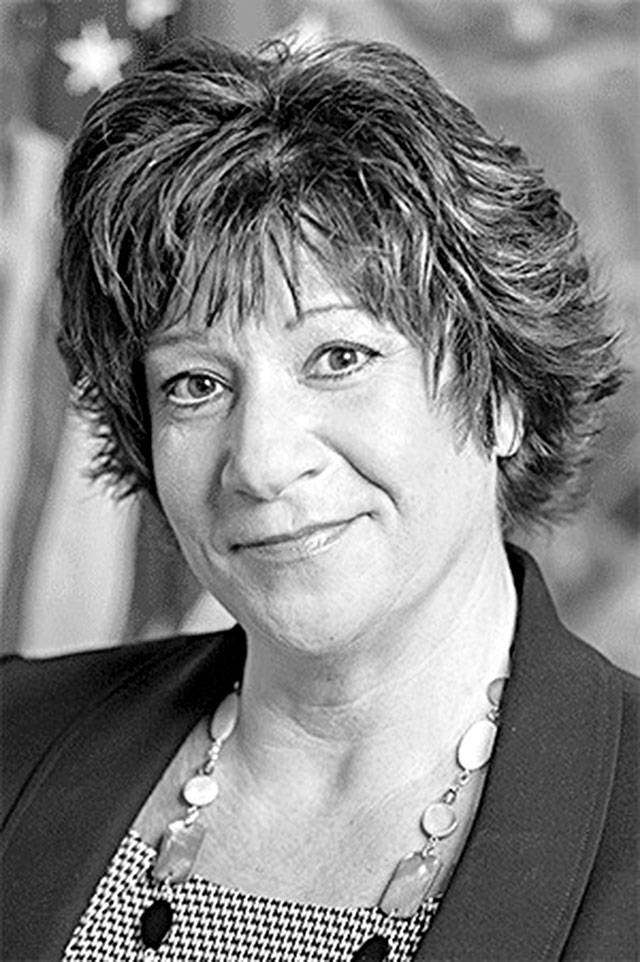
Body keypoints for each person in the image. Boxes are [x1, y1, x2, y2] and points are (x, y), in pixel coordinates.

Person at [1, 35, 637, 962]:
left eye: (339, 357)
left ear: (502, 395)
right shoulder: (12, 739)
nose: (260, 462)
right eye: (195, 384)